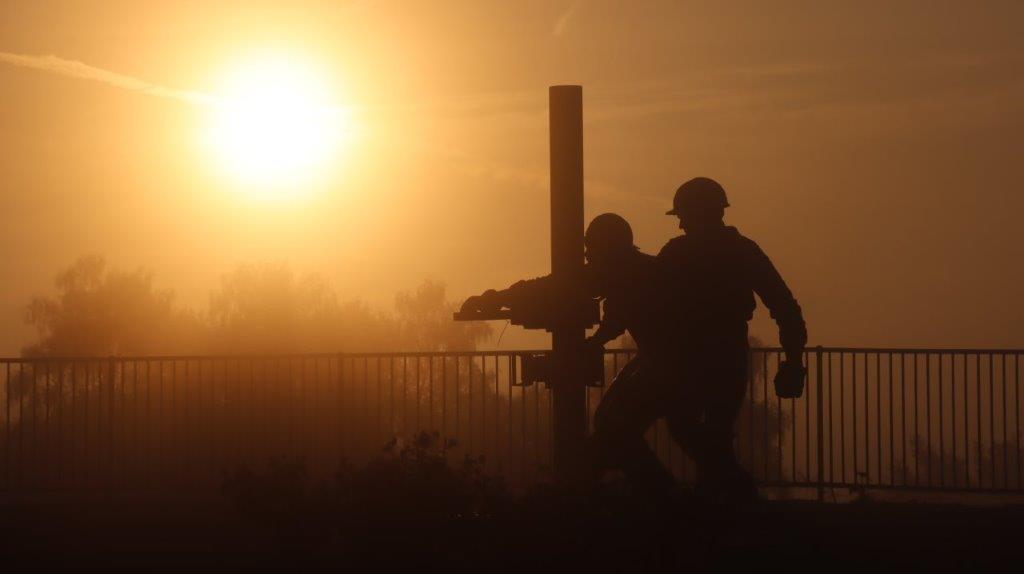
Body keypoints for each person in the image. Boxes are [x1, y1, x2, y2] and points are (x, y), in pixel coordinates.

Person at [657, 176, 807, 502]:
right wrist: (794, 358)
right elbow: (783, 305)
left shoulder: (677, 254)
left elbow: (649, 301)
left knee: (686, 425)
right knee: (715, 431)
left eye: (683, 215)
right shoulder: (742, 251)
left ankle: (732, 496)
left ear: (698, 214)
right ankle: (726, 499)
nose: (680, 223)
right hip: (727, 353)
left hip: (693, 356)